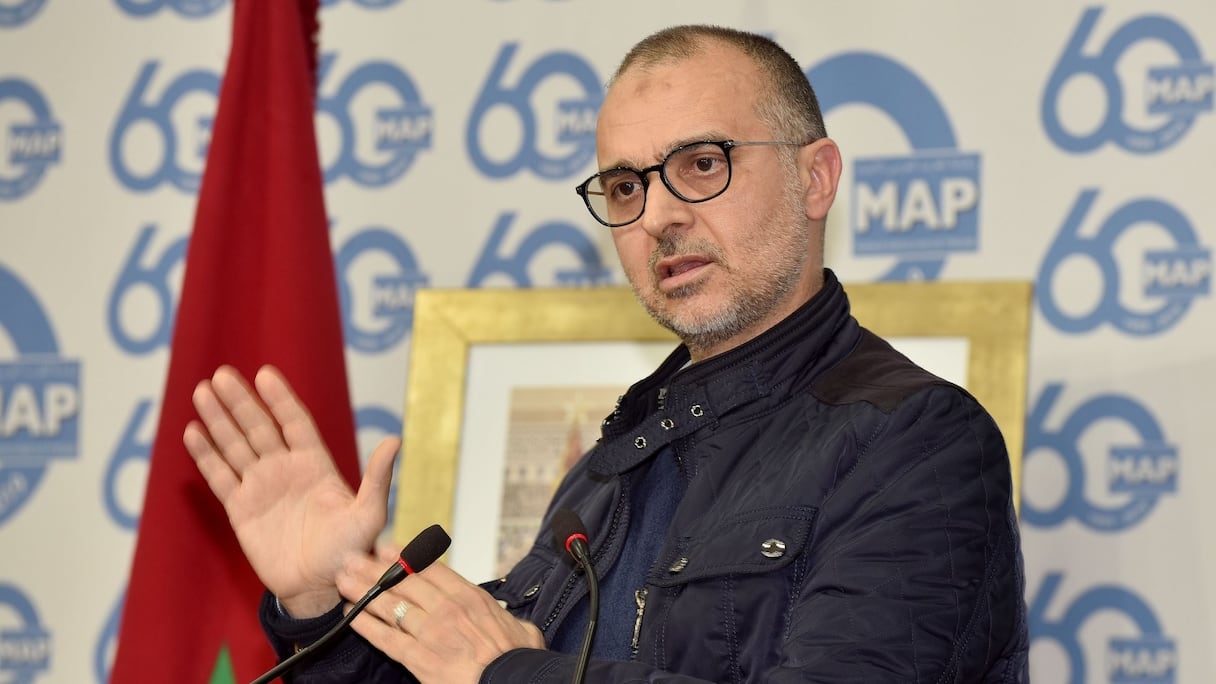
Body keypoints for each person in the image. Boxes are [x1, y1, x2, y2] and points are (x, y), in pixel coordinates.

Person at [184, 24, 1029, 683]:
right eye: (626, 186)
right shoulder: (612, 467)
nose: (659, 215)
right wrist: (319, 595)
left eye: (702, 164)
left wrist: (509, 674)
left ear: (816, 179)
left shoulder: (918, 441)